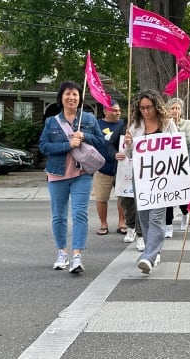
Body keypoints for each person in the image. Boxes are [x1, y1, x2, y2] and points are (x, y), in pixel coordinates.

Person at [39, 81, 108, 274]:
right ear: (61, 98)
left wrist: (84, 136)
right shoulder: (51, 122)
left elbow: (101, 142)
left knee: (79, 214)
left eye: (75, 94)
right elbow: (44, 146)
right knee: (59, 216)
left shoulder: (88, 118)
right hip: (57, 173)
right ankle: (62, 253)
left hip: (82, 173)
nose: (72, 97)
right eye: (68, 94)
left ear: (80, 98)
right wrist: (67, 145)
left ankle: (77, 255)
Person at [124, 89, 178, 275]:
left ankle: (148, 256)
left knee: (156, 217)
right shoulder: (135, 126)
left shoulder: (168, 124)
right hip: (141, 179)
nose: (146, 111)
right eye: (142, 108)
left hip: (162, 178)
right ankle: (152, 250)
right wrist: (129, 144)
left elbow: (177, 149)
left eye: (149, 107)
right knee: (145, 217)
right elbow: (129, 155)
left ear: (156, 106)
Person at [93, 103, 126, 236]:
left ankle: (122, 223)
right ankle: (103, 224)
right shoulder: (97, 124)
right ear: (105, 111)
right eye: (114, 110)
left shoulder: (124, 124)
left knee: (122, 197)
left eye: (119, 110)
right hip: (102, 168)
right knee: (101, 198)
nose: (117, 113)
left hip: (121, 168)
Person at [165, 97, 190, 235]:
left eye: (178, 108)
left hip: (183, 164)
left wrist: (175, 128)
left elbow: (189, 141)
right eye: (173, 108)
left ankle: (185, 213)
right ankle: (168, 224)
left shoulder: (187, 124)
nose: (175, 111)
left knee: (182, 194)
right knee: (168, 195)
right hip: (167, 165)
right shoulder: (163, 123)